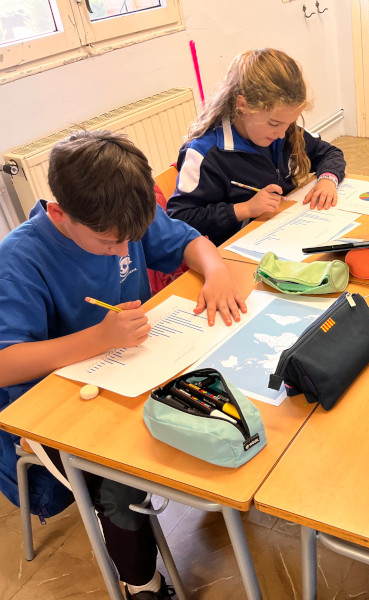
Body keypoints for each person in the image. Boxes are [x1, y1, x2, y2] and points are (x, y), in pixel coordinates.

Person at [0, 129, 248, 599]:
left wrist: (215, 270)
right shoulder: (19, 259)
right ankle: (142, 584)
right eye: (108, 242)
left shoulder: (121, 215)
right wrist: (99, 338)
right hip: (53, 406)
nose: (122, 250)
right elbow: (5, 363)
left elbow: (189, 240)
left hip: (133, 373)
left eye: (130, 240)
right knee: (121, 482)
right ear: (59, 214)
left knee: (228, 398)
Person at [168, 48, 347, 246]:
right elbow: (180, 218)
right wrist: (244, 209)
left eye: (289, 123)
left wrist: (328, 179)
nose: (282, 134)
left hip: (284, 230)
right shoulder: (206, 152)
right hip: (236, 249)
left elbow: (329, 153)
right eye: (274, 123)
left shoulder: (282, 131)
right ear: (243, 105)